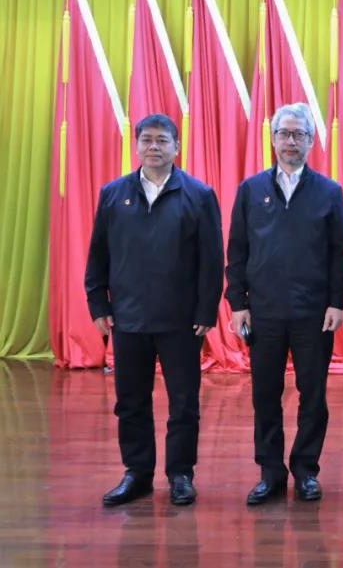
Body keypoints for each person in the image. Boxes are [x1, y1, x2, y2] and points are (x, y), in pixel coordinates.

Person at [86, 113, 223, 507]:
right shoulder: (113, 194)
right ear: (136, 146)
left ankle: (180, 474)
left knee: (184, 403)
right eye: (146, 140)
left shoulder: (199, 194)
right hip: (128, 318)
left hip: (181, 322)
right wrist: (98, 303)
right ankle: (137, 474)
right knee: (130, 401)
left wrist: (206, 311)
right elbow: (98, 254)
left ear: (176, 147)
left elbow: (212, 260)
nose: (154, 147)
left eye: (162, 140)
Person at [226, 103, 343, 505]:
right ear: (273, 138)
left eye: (299, 134)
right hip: (263, 312)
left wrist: (336, 302)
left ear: (311, 142)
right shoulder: (251, 190)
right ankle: (270, 472)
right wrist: (238, 303)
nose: (291, 141)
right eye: (284, 133)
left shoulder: (329, 192)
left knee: (312, 394)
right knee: (265, 394)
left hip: (313, 313)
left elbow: (340, 253)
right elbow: (237, 250)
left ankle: (306, 470)